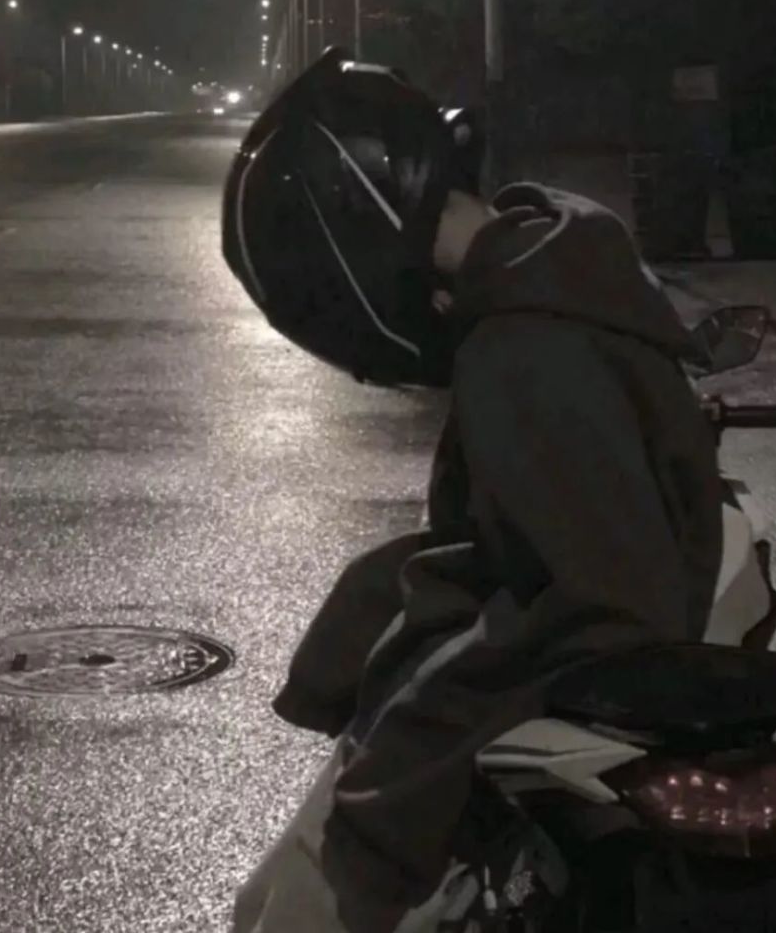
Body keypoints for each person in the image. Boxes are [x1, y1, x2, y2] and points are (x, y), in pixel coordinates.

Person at [222, 47, 725, 933]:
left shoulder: (521, 348)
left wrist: (395, 789)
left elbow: (604, 600)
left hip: (563, 696)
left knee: (280, 914)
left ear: (354, 235)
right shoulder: (558, 259)